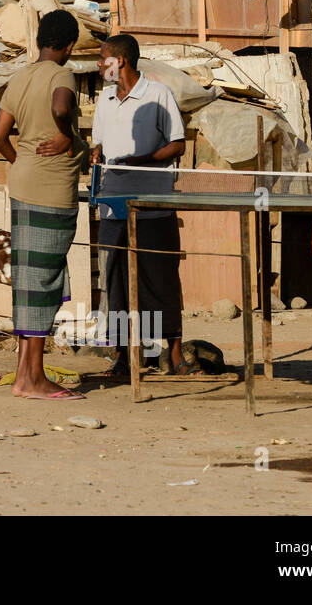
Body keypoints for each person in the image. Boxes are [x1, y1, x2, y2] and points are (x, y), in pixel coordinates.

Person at [0, 9, 87, 400]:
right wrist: (68, 137)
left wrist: (22, 162)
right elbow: (62, 109)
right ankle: (32, 379)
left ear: (38, 41)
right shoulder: (62, 75)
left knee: (32, 282)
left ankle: (24, 376)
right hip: (51, 188)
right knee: (43, 282)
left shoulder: (21, 76)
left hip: (23, 183)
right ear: (68, 46)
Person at [89, 34, 189, 376]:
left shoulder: (159, 95)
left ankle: (174, 354)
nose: (100, 65)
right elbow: (99, 143)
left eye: (104, 59)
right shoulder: (104, 99)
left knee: (160, 277)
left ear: (122, 62)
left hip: (154, 204)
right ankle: (123, 354)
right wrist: (95, 154)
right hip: (114, 204)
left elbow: (178, 145)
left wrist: (144, 159)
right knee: (116, 280)